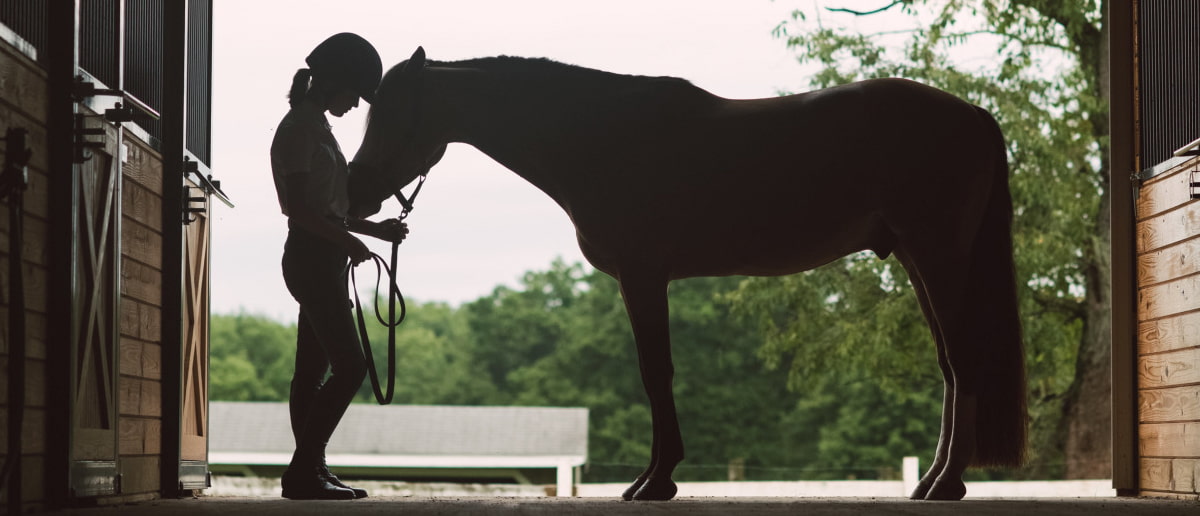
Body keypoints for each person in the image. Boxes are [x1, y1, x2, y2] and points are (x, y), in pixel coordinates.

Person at [270, 32, 407, 500]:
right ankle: (304, 469)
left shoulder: (319, 130)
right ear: (332, 84)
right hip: (310, 256)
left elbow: (328, 209)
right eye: (353, 94)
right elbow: (300, 211)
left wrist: (377, 230)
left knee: (311, 369)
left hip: (322, 254)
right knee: (350, 366)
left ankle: (312, 470)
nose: (355, 105)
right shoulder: (298, 130)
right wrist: (350, 241)